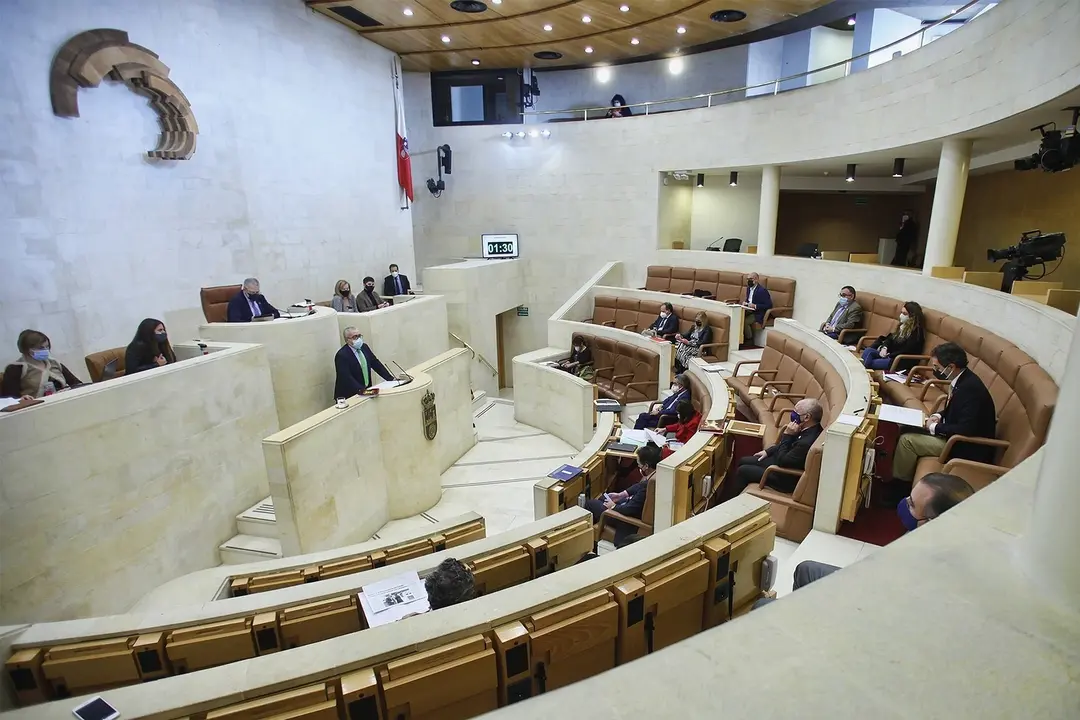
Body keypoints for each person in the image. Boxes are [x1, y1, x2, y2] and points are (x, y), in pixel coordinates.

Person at [752, 473, 974, 609]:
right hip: (873, 588)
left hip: (868, 611)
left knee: (761, 605)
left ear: (932, 521)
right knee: (805, 570)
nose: (904, 504)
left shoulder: (933, 573)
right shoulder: (928, 533)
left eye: (912, 505)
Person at [892, 343, 996, 484]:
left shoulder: (970, 390)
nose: (934, 370)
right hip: (952, 434)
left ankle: (898, 486)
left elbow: (966, 429)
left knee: (907, 441)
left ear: (951, 367)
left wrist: (934, 427)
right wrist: (938, 415)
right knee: (906, 427)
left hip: (963, 445)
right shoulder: (963, 379)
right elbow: (955, 408)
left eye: (937, 367)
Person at [731, 398, 824, 495]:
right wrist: (768, 451)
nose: (793, 414)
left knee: (743, 471)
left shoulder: (806, 442)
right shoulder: (809, 427)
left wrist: (787, 435)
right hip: (785, 460)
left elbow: (782, 461)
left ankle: (733, 501)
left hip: (784, 477)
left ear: (807, 417)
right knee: (743, 460)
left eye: (796, 412)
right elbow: (789, 445)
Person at [585, 443, 660, 546]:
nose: (638, 467)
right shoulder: (657, 474)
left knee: (590, 503)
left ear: (646, 466)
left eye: (639, 464)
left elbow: (630, 509)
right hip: (629, 507)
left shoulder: (647, 487)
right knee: (603, 497)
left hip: (626, 520)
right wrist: (622, 494)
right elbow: (640, 485)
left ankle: (590, 541)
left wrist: (613, 506)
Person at [2, 330, 83, 398]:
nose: (45, 350)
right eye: (40, 348)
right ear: (26, 349)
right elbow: (10, 399)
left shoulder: (54, 363)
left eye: (47, 347)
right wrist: (21, 399)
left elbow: (76, 383)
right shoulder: (15, 368)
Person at [860, 301, 925, 371]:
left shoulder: (917, 332)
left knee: (869, 363)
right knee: (868, 351)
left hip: (899, 360)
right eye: (901, 312)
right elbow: (890, 338)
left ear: (912, 316)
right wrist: (884, 348)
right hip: (889, 355)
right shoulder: (902, 326)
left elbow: (907, 350)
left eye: (904, 314)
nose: (901, 316)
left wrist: (889, 355)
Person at [334, 326, 393, 397]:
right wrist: (362, 390)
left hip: (366, 391)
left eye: (359, 336)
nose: (358, 339)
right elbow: (346, 377)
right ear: (347, 340)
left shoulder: (364, 347)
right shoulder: (342, 355)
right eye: (355, 337)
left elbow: (375, 363)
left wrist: (390, 378)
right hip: (349, 394)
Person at [739, 273, 773, 343]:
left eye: (751, 279)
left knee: (745, 322)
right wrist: (745, 303)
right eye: (747, 279)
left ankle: (749, 340)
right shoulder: (748, 288)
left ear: (756, 280)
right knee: (738, 318)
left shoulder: (762, 291)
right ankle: (740, 339)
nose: (749, 281)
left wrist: (755, 306)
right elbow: (749, 299)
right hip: (748, 309)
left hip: (758, 313)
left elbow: (769, 305)